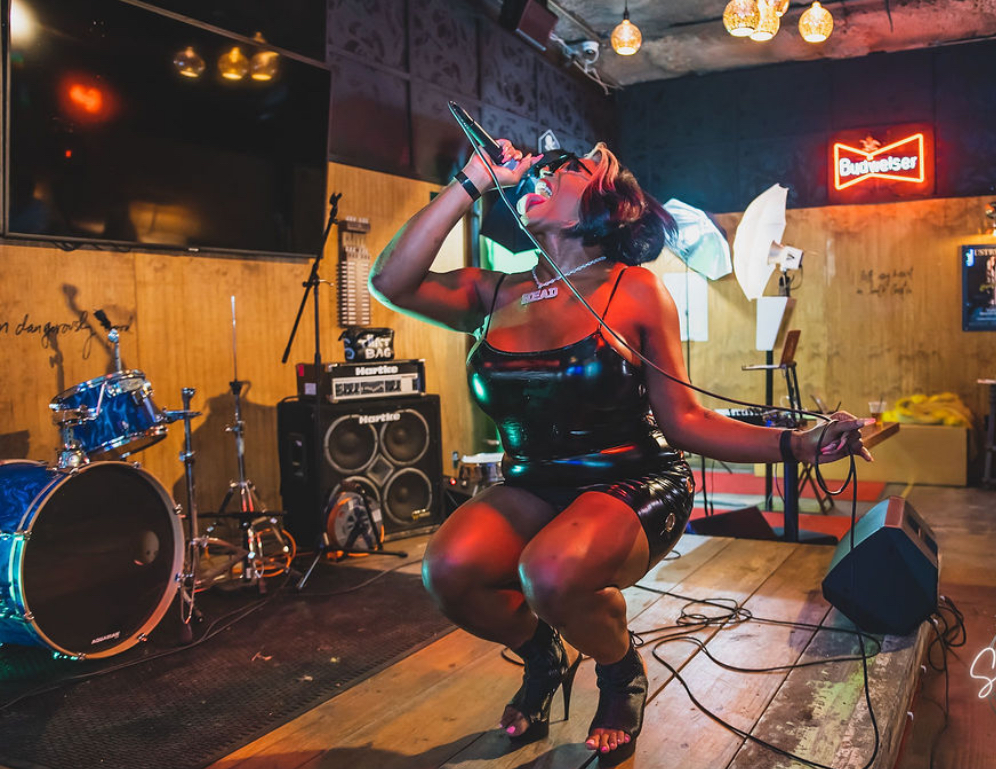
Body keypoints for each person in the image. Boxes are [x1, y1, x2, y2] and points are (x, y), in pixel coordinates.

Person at [369, 139, 872, 765]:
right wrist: (471, 181)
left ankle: (619, 669)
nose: (544, 172)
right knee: (448, 571)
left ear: (611, 206)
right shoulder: (494, 292)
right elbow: (389, 282)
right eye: (543, 168)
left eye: (570, 168)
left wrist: (795, 444)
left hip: (634, 481)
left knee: (551, 573)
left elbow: (686, 421)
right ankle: (542, 658)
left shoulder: (635, 290)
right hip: (532, 484)